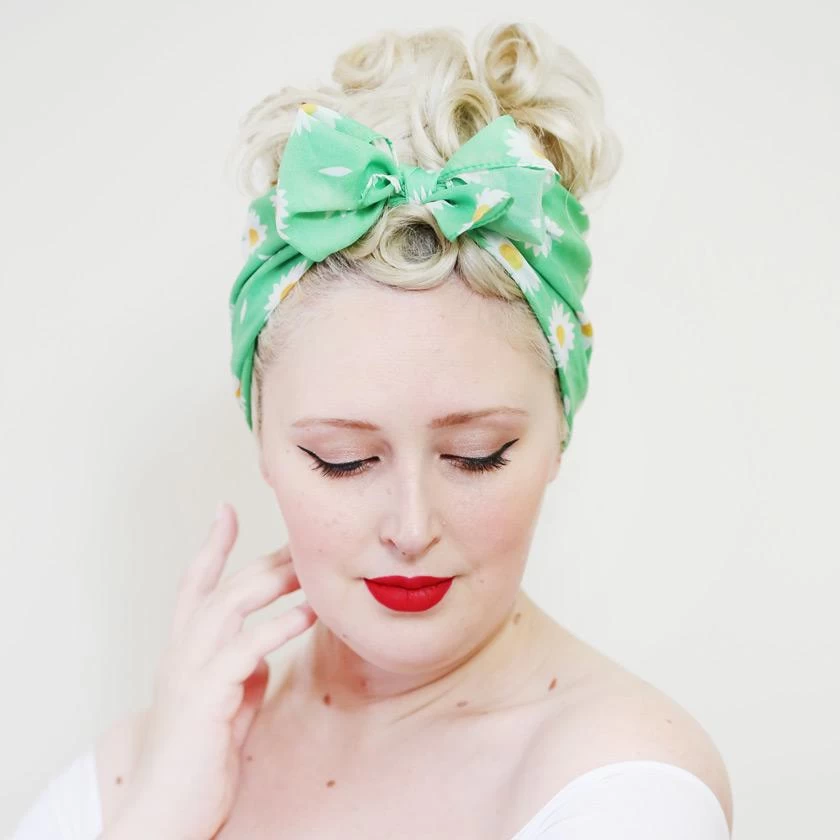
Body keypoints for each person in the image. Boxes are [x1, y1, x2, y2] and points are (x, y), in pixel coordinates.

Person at [11, 21, 734, 840]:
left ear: (559, 431)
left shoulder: (625, 783)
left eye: (477, 456)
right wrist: (159, 815)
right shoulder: (132, 780)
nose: (411, 529)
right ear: (261, 436)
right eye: (343, 460)